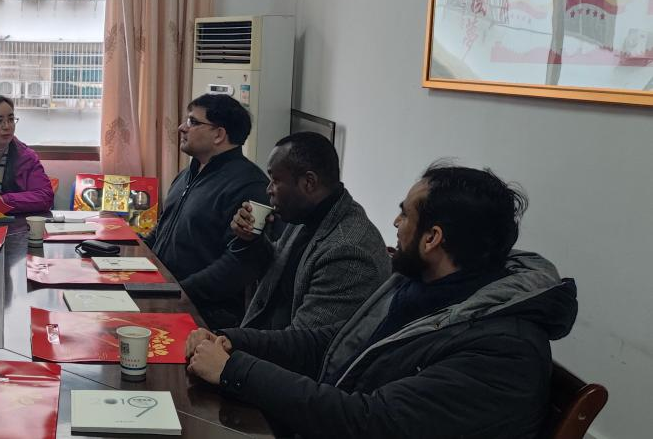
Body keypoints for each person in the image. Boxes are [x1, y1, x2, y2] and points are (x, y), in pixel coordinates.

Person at [185, 164, 578, 439]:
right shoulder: (421, 285)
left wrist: (235, 370)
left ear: (432, 238)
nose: (395, 224)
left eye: (404, 215)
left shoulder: (502, 350)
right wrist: (232, 341)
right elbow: (333, 343)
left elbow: (368, 421)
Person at [182, 132, 389, 330]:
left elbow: (304, 342)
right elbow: (273, 265)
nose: (268, 189)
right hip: (261, 338)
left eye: (276, 180)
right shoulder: (307, 213)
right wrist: (250, 239)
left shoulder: (348, 251)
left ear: (309, 182)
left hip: (286, 351)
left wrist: (228, 339)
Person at [144, 94, 269, 313]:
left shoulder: (248, 185)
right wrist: (131, 253)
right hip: (162, 290)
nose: (182, 127)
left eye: (192, 121)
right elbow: (163, 227)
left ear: (219, 134)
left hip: (201, 310)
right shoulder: (189, 173)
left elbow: (239, 262)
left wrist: (180, 293)